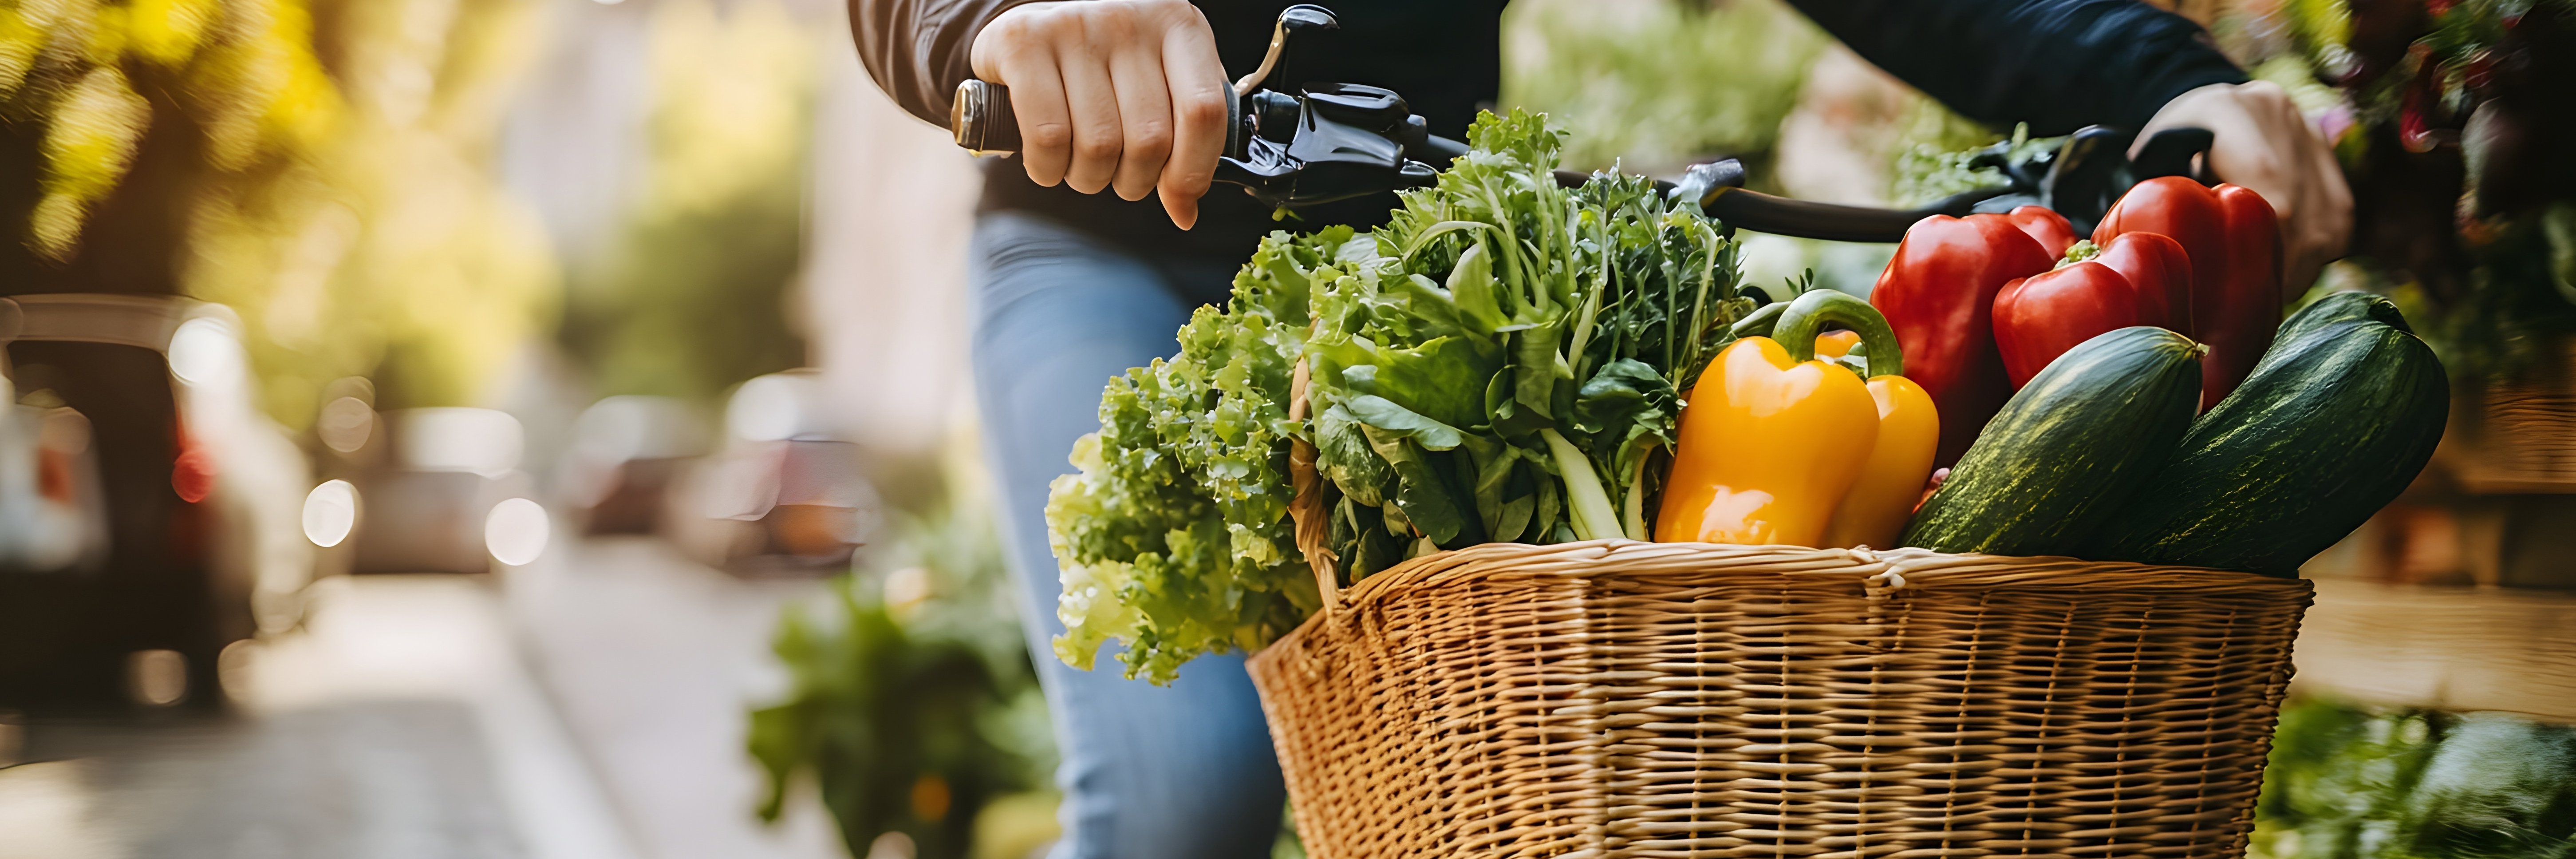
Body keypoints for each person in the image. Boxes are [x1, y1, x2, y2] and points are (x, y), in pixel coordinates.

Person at [846, 2, 2352, 856]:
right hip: (1105, 244)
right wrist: (995, 16)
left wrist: (2175, 89)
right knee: (1195, 792)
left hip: (1424, 293)